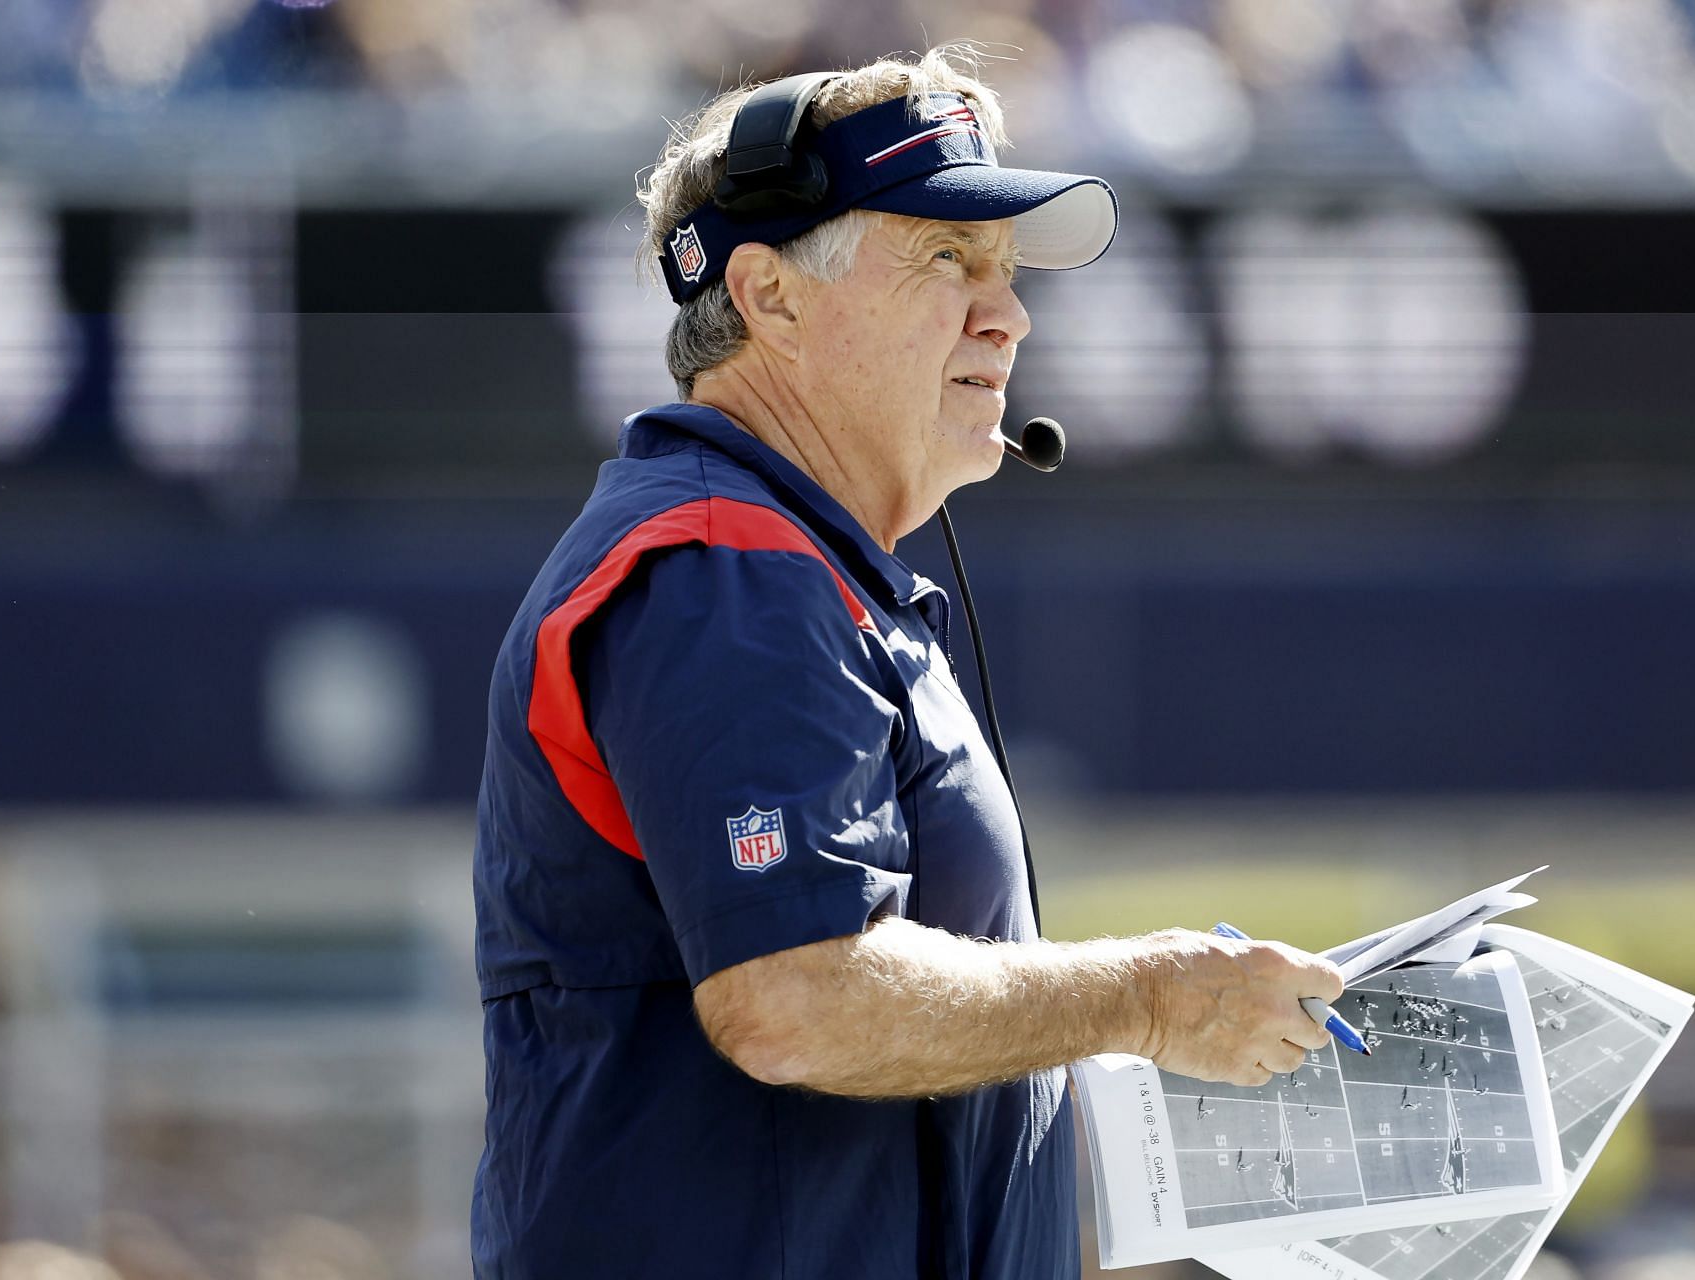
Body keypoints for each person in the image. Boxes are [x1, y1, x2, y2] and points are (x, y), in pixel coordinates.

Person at [470, 47, 1344, 1280]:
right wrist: (1147, 999)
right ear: (770, 296)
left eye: (1005, 268)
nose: (1010, 312)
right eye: (947, 257)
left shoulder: (797, 570)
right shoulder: (731, 563)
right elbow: (795, 997)